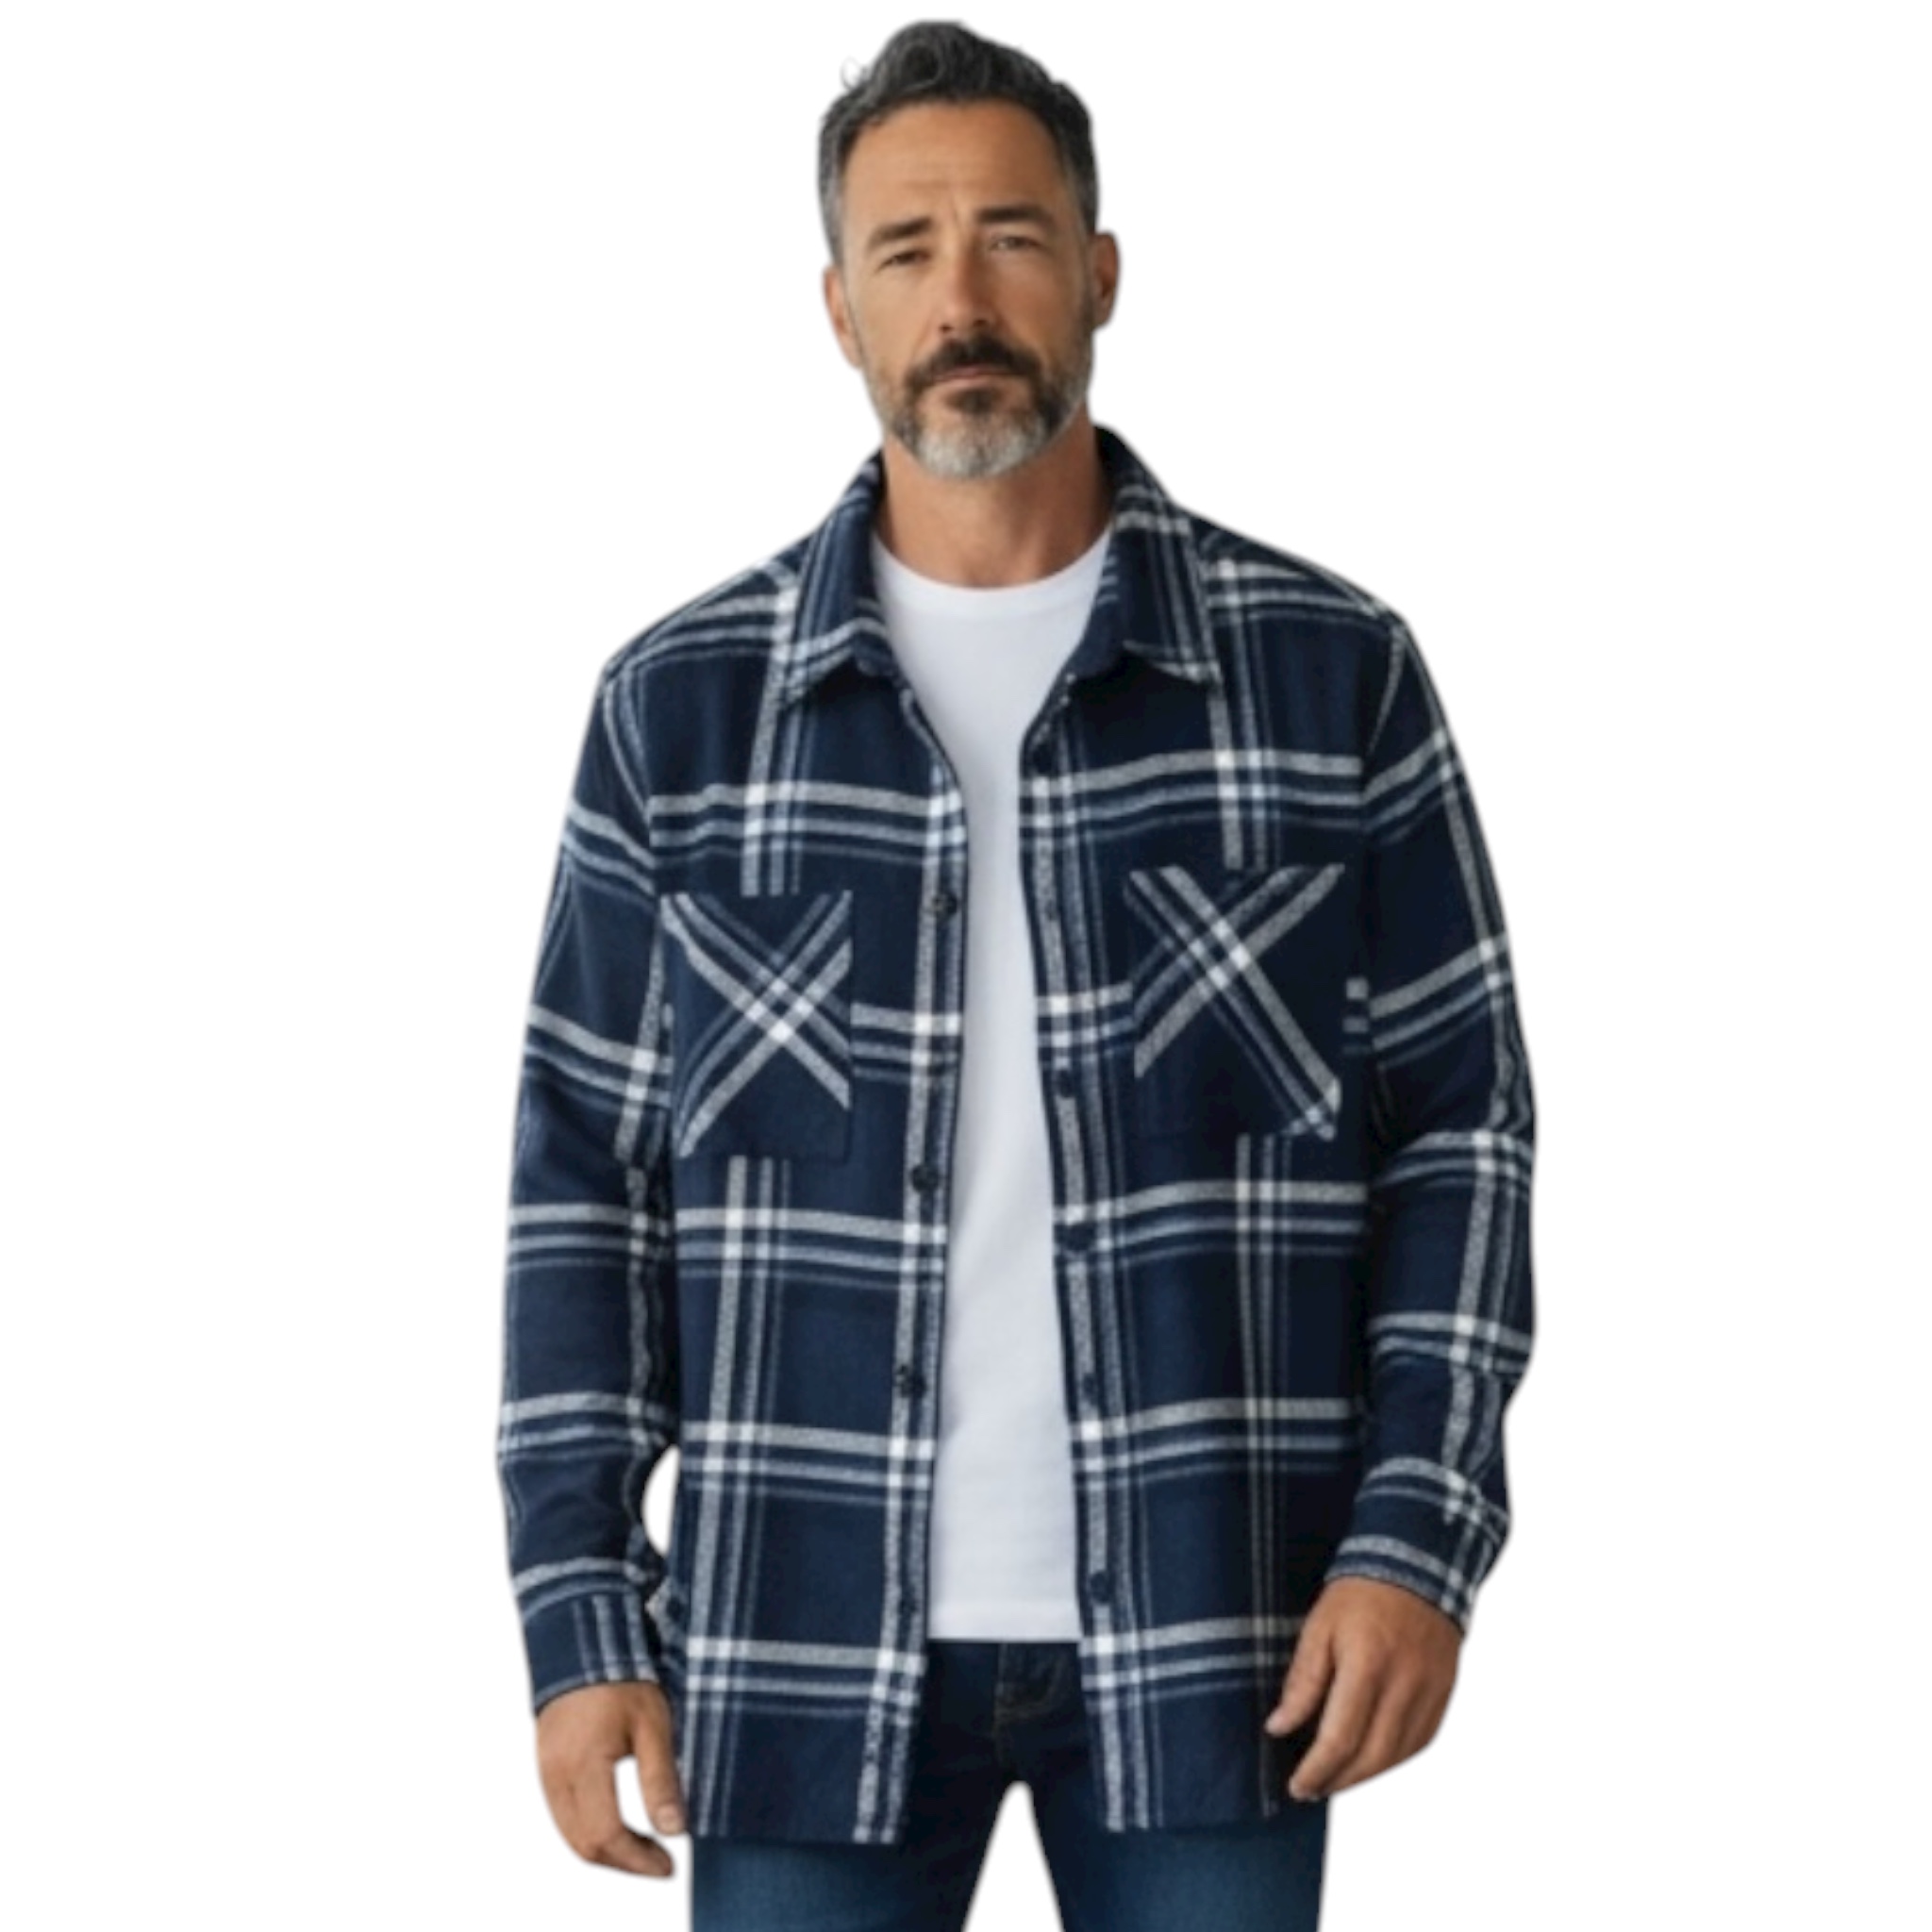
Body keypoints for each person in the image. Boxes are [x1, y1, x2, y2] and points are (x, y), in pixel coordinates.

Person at [496, 21, 1536, 1930]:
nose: (960, 299)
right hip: (796, 1642)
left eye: (1014, 237)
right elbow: (585, 1184)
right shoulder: (684, 712)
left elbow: (1461, 1135)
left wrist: (1416, 1539)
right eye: (905, 249)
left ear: (1103, 271)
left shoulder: (1328, 678)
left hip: (1226, 1643)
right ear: (838, 308)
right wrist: (579, 1618)